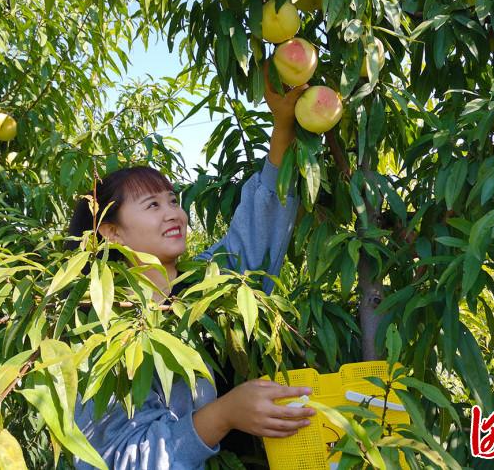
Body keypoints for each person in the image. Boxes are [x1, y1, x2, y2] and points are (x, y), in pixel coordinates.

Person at [70, 76, 316, 469]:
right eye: (152, 205)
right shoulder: (99, 328)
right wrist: (222, 416)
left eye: (173, 201)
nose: (175, 214)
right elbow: (115, 458)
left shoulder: (202, 288)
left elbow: (254, 239)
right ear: (111, 232)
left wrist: (283, 125)